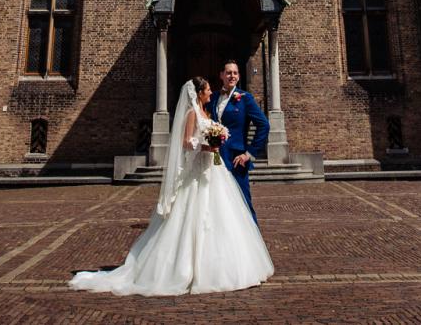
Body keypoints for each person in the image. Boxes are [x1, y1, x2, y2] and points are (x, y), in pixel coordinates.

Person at [70, 76, 273, 296]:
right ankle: (187, 269)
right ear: (198, 93)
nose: (211, 93)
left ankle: (224, 264)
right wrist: (208, 147)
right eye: (207, 90)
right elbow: (187, 143)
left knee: (222, 215)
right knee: (193, 217)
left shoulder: (206, 111)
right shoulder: (192, 113)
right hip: (199, 171)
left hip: (213, 170)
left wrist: (217, 141)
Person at [211, 60, 270, 222]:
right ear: (221, 75)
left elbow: (264, 125)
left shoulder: (246, 99)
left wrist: (248, 153)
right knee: (218, 203)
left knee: (243, 201)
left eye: (235, 73)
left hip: (237, 160)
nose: (232, 76)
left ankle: (253, 242)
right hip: (215, 160)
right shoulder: (214, 98)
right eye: (228, 72)